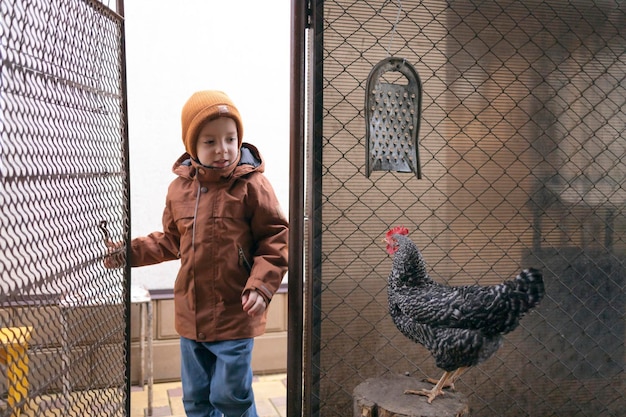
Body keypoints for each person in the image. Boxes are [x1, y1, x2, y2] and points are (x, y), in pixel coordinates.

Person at [106, 90, 289, 417]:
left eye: (230, 139)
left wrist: (262, 285)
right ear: (192, 146)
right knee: (195, 400)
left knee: (230, 396)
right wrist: (127, 253)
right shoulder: (179, 189)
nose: (223, 149)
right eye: (210, 142)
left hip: (235, 314)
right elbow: (170, 240)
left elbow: (276, 238)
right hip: (191, 316)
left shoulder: (252, 186)